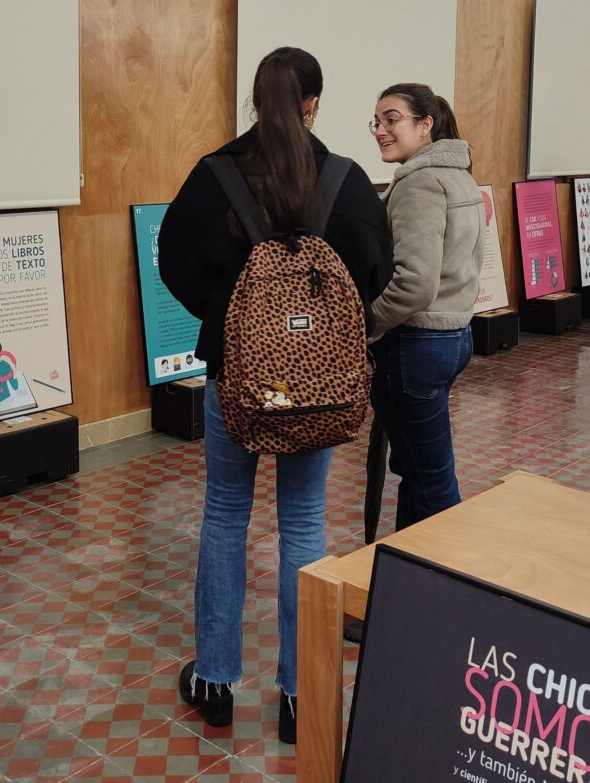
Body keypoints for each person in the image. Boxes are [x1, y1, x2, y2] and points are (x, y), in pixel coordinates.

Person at [158, 46, 391, 744]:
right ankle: (299, 693)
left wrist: (228, 315)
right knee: (305, 524)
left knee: (226, 515)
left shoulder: (215, 176)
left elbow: (172, 257)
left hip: (238, 379)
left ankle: (216, 681)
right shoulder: (345, 180)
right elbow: (373, 270)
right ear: (313, 103)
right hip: (318, 391)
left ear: (257, 101)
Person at [367, 83, 485, 532]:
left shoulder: (420, 182)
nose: (381, 130)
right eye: (376, 121)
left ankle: (448, 590)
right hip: (453, 338)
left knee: (434, 485)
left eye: (392, 118)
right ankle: (407, 579)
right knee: (418, 474)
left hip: (415, 345)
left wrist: (368, 325)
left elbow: (414, 284)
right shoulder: (460, 175)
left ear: (425, 124)